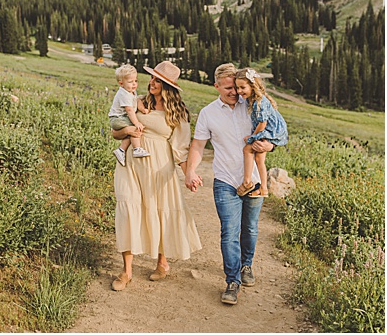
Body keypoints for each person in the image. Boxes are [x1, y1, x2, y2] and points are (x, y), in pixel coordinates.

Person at [183, 63, 276, 306]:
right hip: (225, 180)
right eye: (227, 88)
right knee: (229, 231)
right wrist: (190, 170)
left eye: (235, 87)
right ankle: (232, 280)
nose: (234, 92)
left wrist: (271, 146)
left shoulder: (252, 106)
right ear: (216, 87)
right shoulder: (208, 113)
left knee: (251, 228)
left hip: (254, 179)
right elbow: (198, 146)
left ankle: (247, 265)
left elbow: (272, 132)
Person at [110, 61, 201, 291]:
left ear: (167, 86)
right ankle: (126, 271)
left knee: (159, 211)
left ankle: (162, 262)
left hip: (160, 167)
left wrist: (188, 174)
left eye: (157, 80)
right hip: (130, 164)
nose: (152, 83)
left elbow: (180, 149)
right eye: (151, 78)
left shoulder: (178, 113)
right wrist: (129, 130)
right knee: (128, 208)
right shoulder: (137, 101)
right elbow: (115, 131)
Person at [234, 67, 288, 198]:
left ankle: (247, 182)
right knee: (259, 158)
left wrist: (252, 137)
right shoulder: (251, 99)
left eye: (242, 87)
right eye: (237, 88)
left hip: (270, 130)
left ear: (252, 86)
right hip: (267, 129)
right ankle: (264, 189)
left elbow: (262, 123)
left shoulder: (259, 101)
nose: (239, 91)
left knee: (247, 149)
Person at [109, 63, 150, 166]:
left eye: (135, 81)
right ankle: (136, 149)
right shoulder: (124, 94)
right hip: (117, 118)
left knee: (129, 132)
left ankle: (121, 150)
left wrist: (143, 109)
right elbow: (129, 110)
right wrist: (136, 123)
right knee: (134, 129)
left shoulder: (131, 91)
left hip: (120, 118)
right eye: (130, 82)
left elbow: (137, 101)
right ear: (121, 83)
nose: (134, 84)